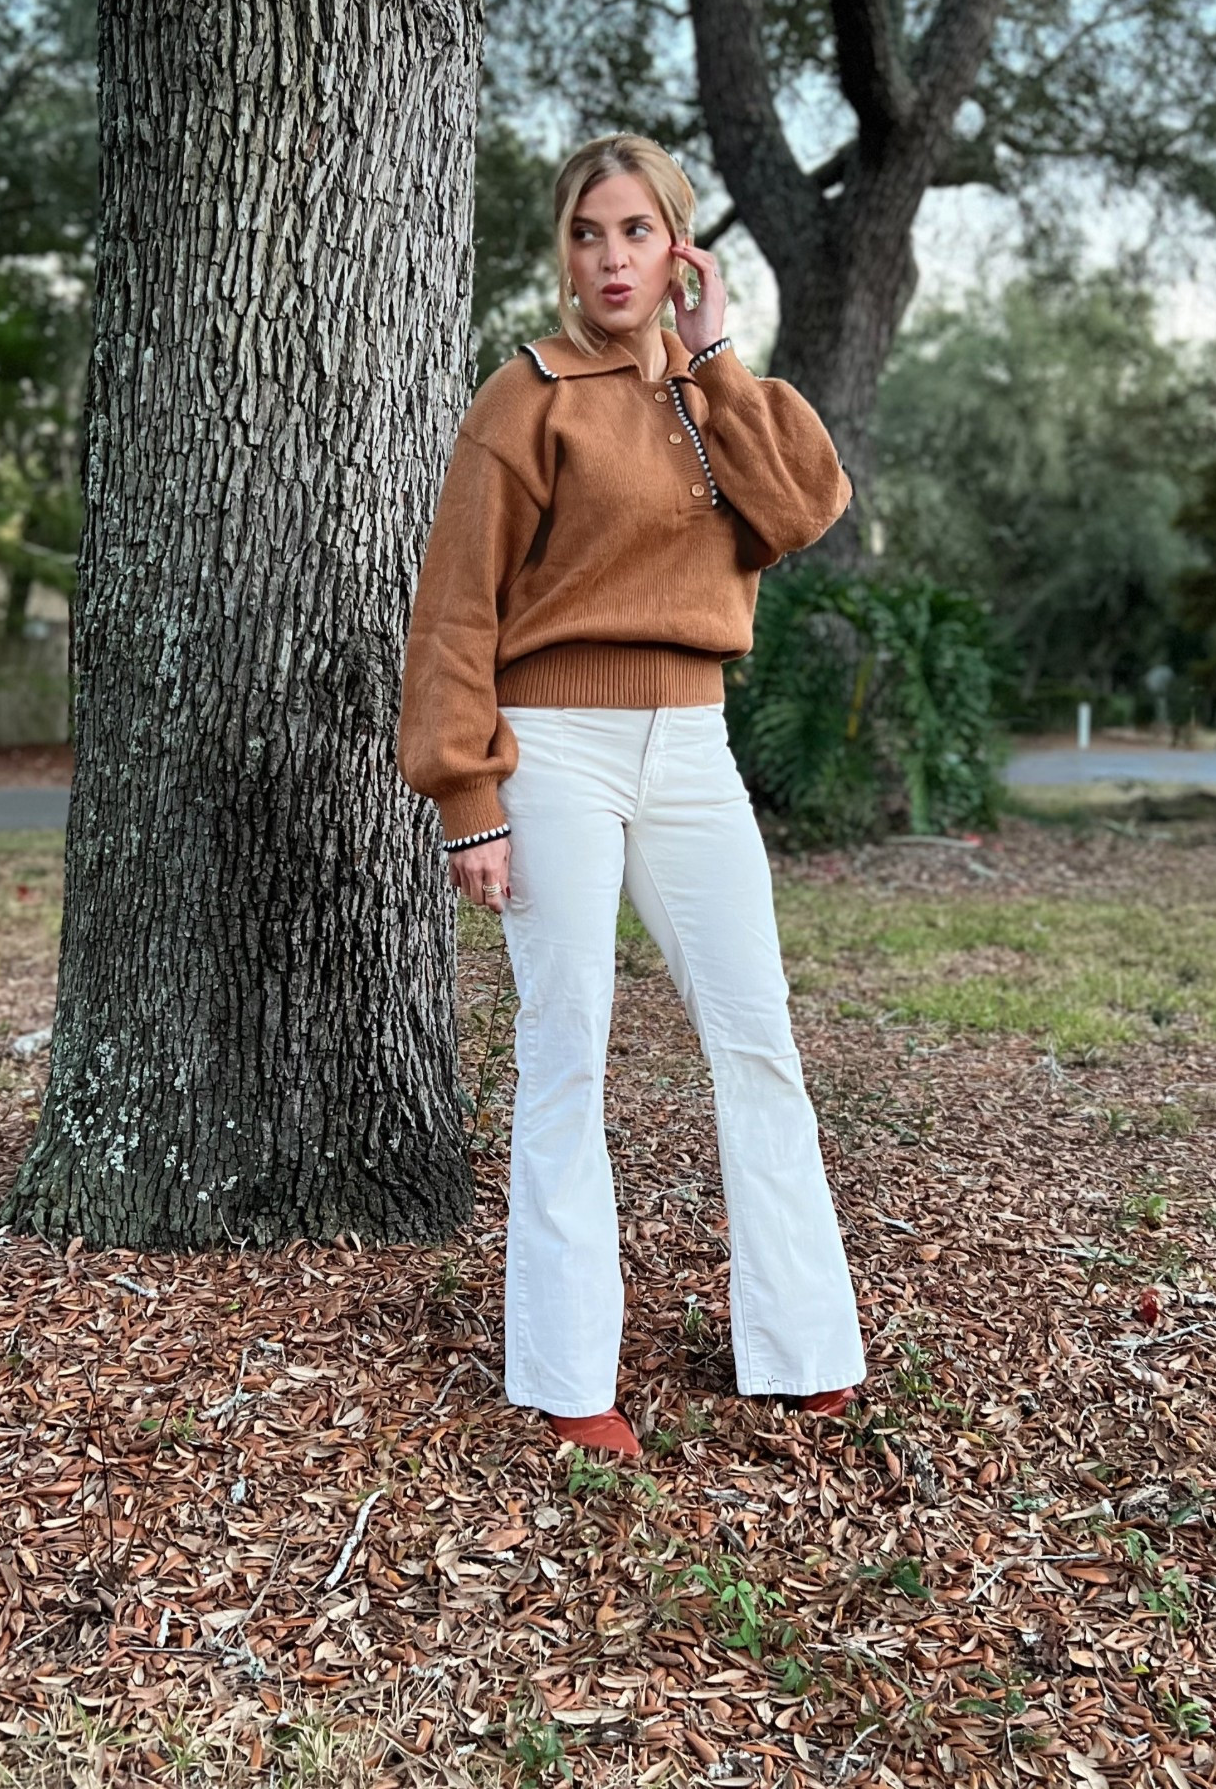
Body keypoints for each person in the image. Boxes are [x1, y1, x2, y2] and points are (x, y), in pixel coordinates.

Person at [396, 132, 867, 1457]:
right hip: (554, 747)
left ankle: (803, 1347)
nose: (610, 257)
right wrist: (466, 797)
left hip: (694, 747)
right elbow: (456, 611)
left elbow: (805, 505)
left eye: (636, 232)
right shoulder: (527, 395)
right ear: (565, 254)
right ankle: (563, 1379)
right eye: (587, 234)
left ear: (678, 250)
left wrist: (716, 358)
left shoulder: (709, 395)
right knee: (567, 1050)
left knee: (757, 1038)